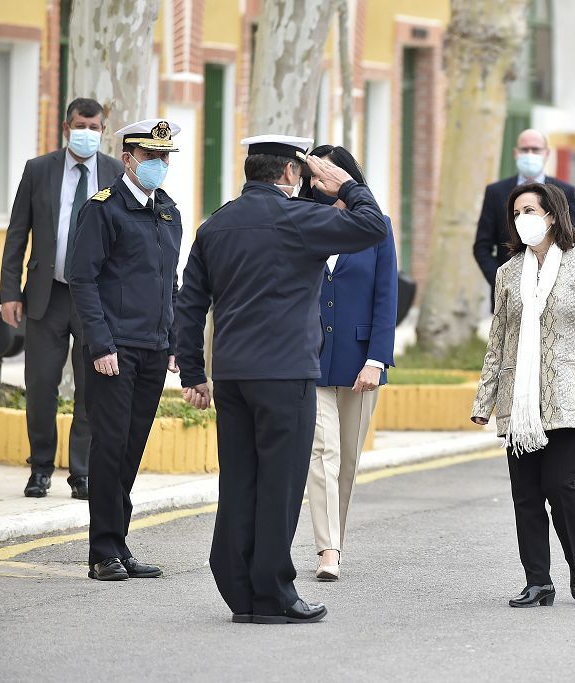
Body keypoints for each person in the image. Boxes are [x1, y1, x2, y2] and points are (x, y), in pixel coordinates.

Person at [176, 134, 388, 625]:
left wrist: (193, 370)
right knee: (280, 484)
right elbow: (372, 227)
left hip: (231, 375)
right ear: (292, 173)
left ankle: (240, 591)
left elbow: (189, 302)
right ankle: (273, 595)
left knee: (240, 481)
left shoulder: (218, 224)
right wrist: (347, 185)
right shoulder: (301, 219)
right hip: (285, 374)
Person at [471, 182, 575, 608]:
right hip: (517, 400)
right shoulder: (507, 273)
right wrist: (483, 403)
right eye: (517, 213)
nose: (522, 220)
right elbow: (498, 341)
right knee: (525, 494)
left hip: (569, 394)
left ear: (552, 216)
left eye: (530, 211)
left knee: (559, 484)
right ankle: (538, 580)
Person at [67, 119, 184, 581]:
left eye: (166, 158)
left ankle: (120, 542)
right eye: (153, 157)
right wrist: (100, 343)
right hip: (113, 350)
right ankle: (102, 553)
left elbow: (169, 283)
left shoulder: (166, 210)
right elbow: (83, 279)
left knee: (131, 449)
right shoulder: (104, 209)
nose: (161, 165)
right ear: (130, 159)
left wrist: (173, 340)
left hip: (153, 348)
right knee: (110, 447)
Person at [0, 97, 123, 500]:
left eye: (94, 126)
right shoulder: (38, 170)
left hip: (96, 298)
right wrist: (8, 293)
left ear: (103, 130)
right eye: (79, 125)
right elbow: (17, 233)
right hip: (45, 294)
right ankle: (40, 468)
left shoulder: (116, 171)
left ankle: (82, 473)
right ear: (66, 126)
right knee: (40, 385)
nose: (86, 132)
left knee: (90, 389)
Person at [299, 144, 398, 582]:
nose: (327, 183)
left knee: (347, 463)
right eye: (319, 175)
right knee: (324, 453)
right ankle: (328, 549)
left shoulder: (378, 227)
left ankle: (335, 536)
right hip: (311, 358)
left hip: (361, 362)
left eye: (336, 175)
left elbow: (386, 296)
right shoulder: (300, 222)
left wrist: (376, 359)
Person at [473, 129, 575, 302]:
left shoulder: (564, 191)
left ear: (546, 154)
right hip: (509, 295)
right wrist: (500, 279)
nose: (530, 154)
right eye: (525, 150)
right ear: (516, 153)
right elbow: (482, 245)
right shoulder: (495, 192)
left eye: (535, 149)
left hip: (556, 292)